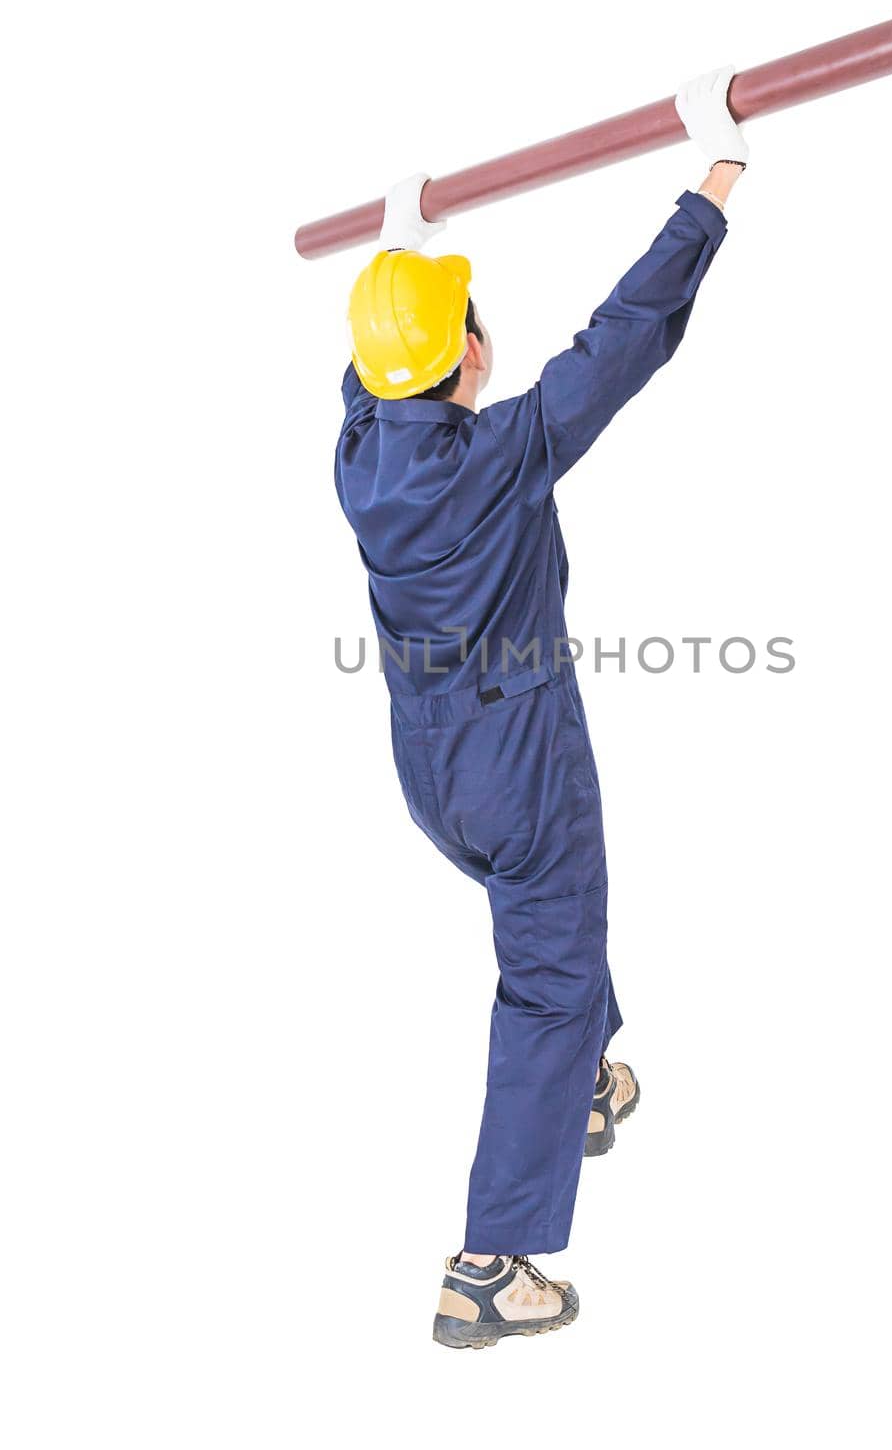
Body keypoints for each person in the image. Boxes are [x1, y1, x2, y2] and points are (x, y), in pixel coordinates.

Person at [335, 67, 747, 1348]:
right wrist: (711, 183)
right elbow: (620, 342)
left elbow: (374, 359)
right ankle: (489, 1264)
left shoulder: (361, 456)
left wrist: (405, 238)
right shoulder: (504, 453)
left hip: (431, 774)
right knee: (550, 975)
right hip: (521, 757)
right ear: (466, 354)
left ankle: (578, 1092)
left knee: (549, 940)